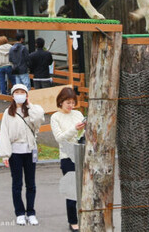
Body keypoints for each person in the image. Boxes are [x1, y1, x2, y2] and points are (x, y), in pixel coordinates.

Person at [0, 83, 44, 226]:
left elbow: (39, 119)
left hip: (30, 151)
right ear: (12, 96)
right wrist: (5, 155)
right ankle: (19, 212)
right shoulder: (8, 112)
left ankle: (31, 212)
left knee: (31, 184)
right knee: (17, 184)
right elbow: (4, 133)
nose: (19, 95)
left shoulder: (32, 110)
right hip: (15, 153)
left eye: (22, 92)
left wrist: (30, 105)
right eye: (17, 92)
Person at [50, 86, 86, 231]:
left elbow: (81, 135)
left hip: (81, 153)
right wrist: (75, 129)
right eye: (68, 103)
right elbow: (59, 138)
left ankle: (84, 216)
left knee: (84, 189)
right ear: (61, 102)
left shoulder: (77, 114)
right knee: (71, 190)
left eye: (73, 102)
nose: (71, 106)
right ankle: (73, 221)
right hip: (67, 157)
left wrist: (83, 129)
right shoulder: (55, 117)